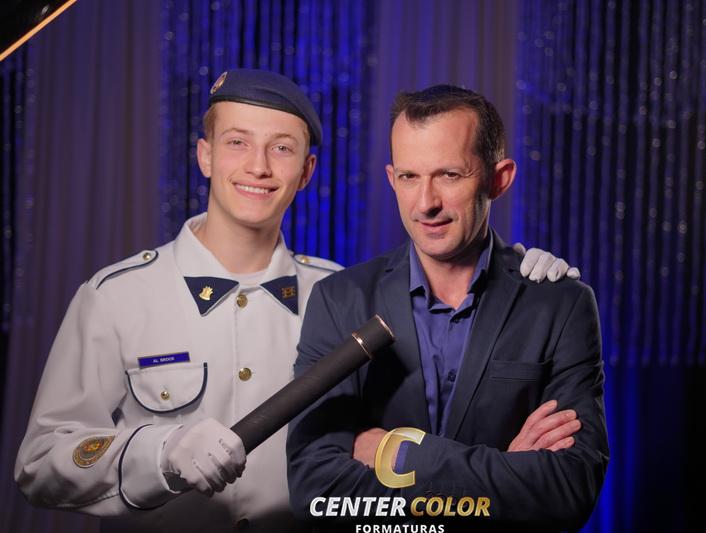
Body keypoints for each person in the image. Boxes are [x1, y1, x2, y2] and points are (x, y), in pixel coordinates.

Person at [14, 71, 578, 532]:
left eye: (281, 148)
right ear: (205, 155)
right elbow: (42, 462)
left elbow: (421, 434)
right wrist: (157, 453)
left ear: (307, 171)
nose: (258, 167)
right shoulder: (117, 297)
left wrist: (510, 276)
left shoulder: (346, 297)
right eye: (237, 143)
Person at [287, 85, 609, 532]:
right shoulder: (340, 299)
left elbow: (568, 489)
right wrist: (503, 474)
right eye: (409, 176)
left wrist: (399, 453)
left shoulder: (561, 304)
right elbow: (315, 493)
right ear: (391, 178)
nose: (426, 203)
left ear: (499, 179)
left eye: (450, 175)